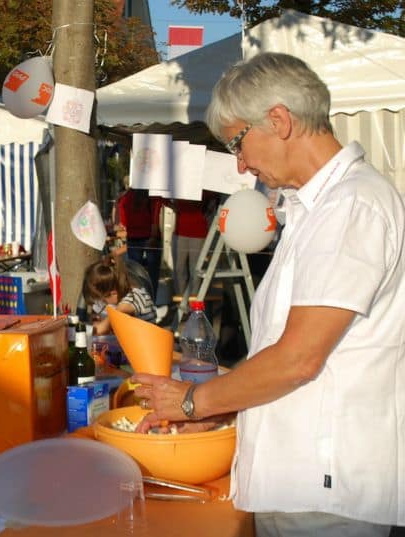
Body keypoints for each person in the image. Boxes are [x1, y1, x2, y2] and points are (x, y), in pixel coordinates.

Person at [133, 52, 404, 536]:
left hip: (325, 490)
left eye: (238, 143)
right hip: (302, 481)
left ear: (278, 120)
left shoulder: (351, 205)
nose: (241, 165)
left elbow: (298, 358)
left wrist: (194, 401)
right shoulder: (318, 208)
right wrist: (220, 406)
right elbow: (287, 352)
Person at [82, 252, 157, 335]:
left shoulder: (128, 304)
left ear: (113, 293)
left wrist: (76, 328)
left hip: (145, 342)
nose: (104, 304)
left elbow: (99, 330)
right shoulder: (134, 293)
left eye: (104, 301)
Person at [114, 178, 162, 298]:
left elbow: (123, 222)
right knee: (152, 273)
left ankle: (137, 299)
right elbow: (155, 216)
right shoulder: (152, 194)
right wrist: (154, 235)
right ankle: (151, 299)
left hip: (134, 237)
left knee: (135, 273)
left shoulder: (125, 198)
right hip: (151, 237)